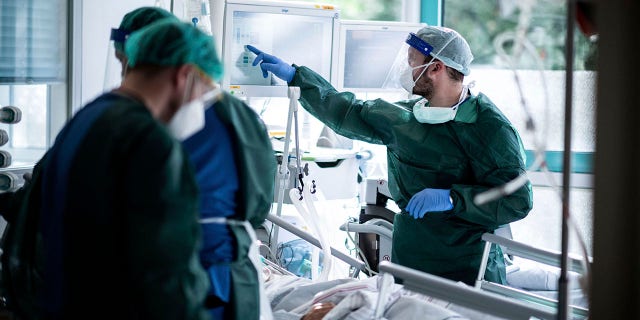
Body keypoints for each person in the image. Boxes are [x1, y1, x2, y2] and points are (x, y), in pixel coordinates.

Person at [247, 26, 533, 285]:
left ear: (436, 68)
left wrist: (452, 198)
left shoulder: (488, 128)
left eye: (411, 62)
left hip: (467, 269)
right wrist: (297, 77)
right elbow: (348, 111)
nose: (406, 70)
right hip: (411, 260)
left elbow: (517, 199)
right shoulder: (405, 117)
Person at [0, 20, 218, 319]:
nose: (198, 109)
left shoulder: (89, 116)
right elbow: (166, 272)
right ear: (184, 75)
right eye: (202, 95)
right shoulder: (150, 142)